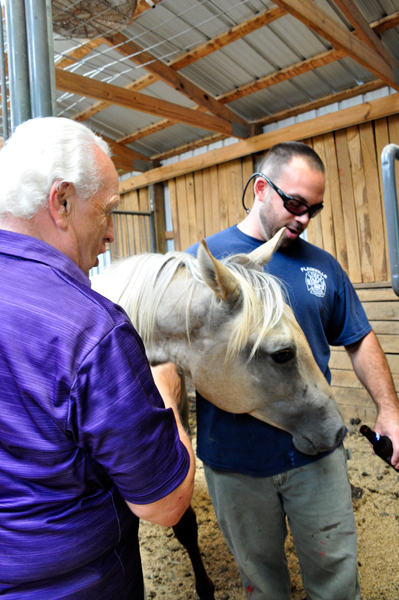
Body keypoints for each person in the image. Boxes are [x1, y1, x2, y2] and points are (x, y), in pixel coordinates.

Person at [186, 141, 399, 600]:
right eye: (295, 204)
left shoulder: (322, 267)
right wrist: (173, 428)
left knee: (337, 576)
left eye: (314, 210)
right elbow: (172, 353)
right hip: (235, 460)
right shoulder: (204, 263)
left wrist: (390, 411)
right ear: (262, 188)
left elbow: (359, 337)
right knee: (261, 584)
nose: (303, 219)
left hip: (317, 451)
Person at [0, 117, 195, 600]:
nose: (110, 235)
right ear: (61, 202)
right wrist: (169, 399)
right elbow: (164, 505)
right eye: (107, 211)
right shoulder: (91, 329)